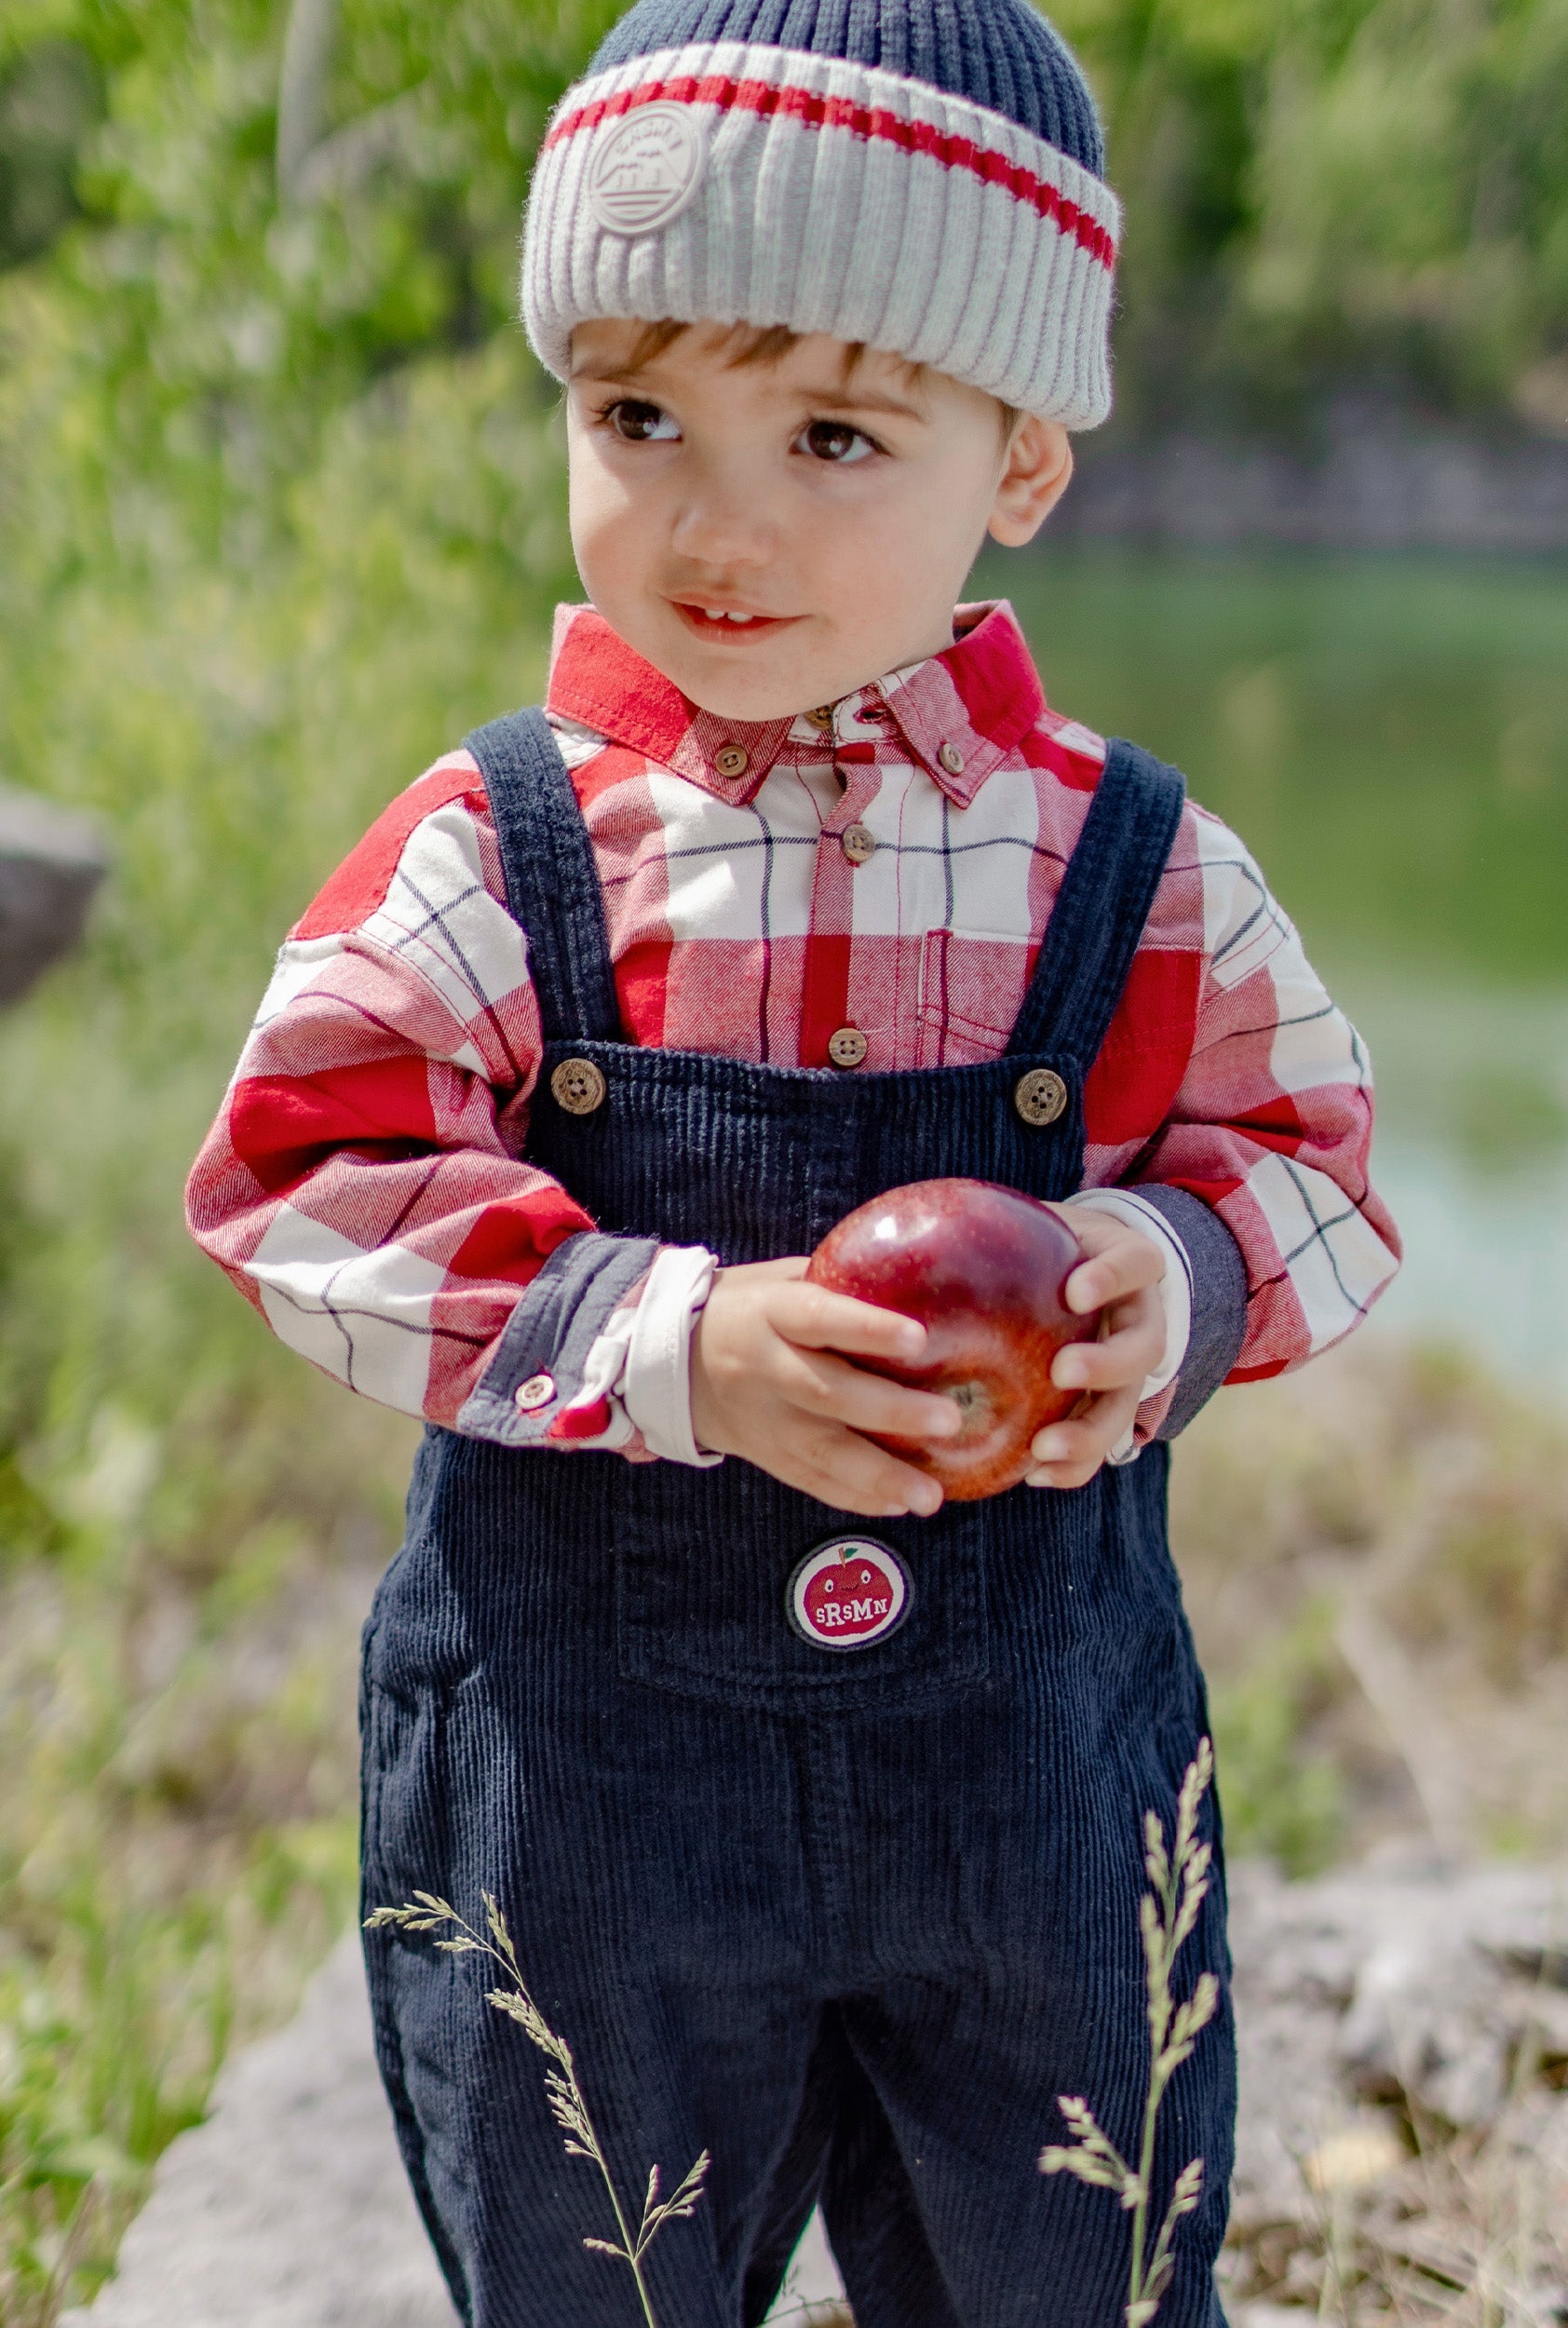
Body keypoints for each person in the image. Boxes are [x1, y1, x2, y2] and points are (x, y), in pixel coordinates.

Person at [187, 0, 1399, 2318]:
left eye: (831, 434)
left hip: (1022, 1797)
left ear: (1017, 458)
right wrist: (661, 1334)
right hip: (592, 1806)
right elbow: (296, 1166)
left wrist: (1167, 1267)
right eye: (635, 416)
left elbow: (1317, 1163)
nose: (713, 520)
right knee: (595, 2263)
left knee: (1070, 2266)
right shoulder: (504, 846)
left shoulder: (1120, 861)